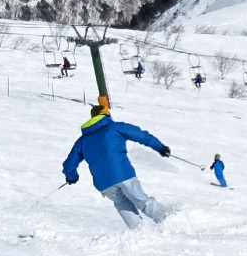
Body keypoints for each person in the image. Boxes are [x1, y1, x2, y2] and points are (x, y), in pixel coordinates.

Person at [62, 96, 172, 228]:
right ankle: (167, 219)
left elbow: (69, 164)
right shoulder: (114, 127)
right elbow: (141, 135)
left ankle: (140, 231)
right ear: (106, 115)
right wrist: (160, 147)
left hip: (104, 184)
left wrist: (71, 177)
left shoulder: (82, 141)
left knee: (122, 204)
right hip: (123, 174)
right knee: (141, 200)